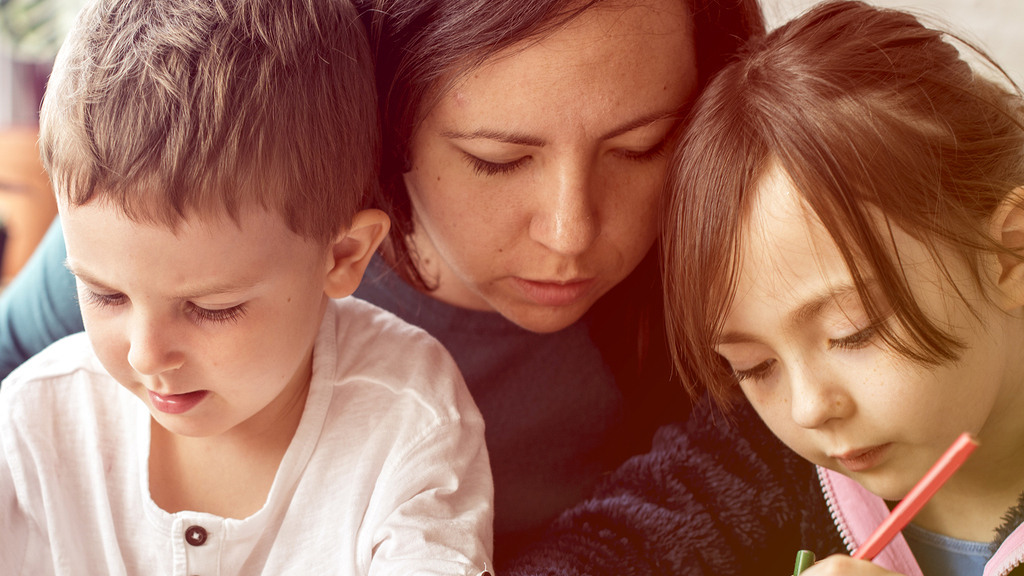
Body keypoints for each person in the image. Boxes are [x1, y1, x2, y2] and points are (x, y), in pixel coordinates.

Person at [0, 0, 765, 563]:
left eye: (640, 146)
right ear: (387, 122)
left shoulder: (734, 270)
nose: (571, 233)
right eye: (497, 159)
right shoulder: (200, 212)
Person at [506, 2, 1024, 574]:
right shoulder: (759, 451)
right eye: (754, 366)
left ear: (1011, 254)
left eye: (852, 333)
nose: (808, 407)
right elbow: (596, 549)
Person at [0, 0, 493, 573]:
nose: (145, 356)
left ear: (342, 256)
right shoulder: (33, 423)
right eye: (105, 295)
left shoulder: (412, 421)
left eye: (212, 308)